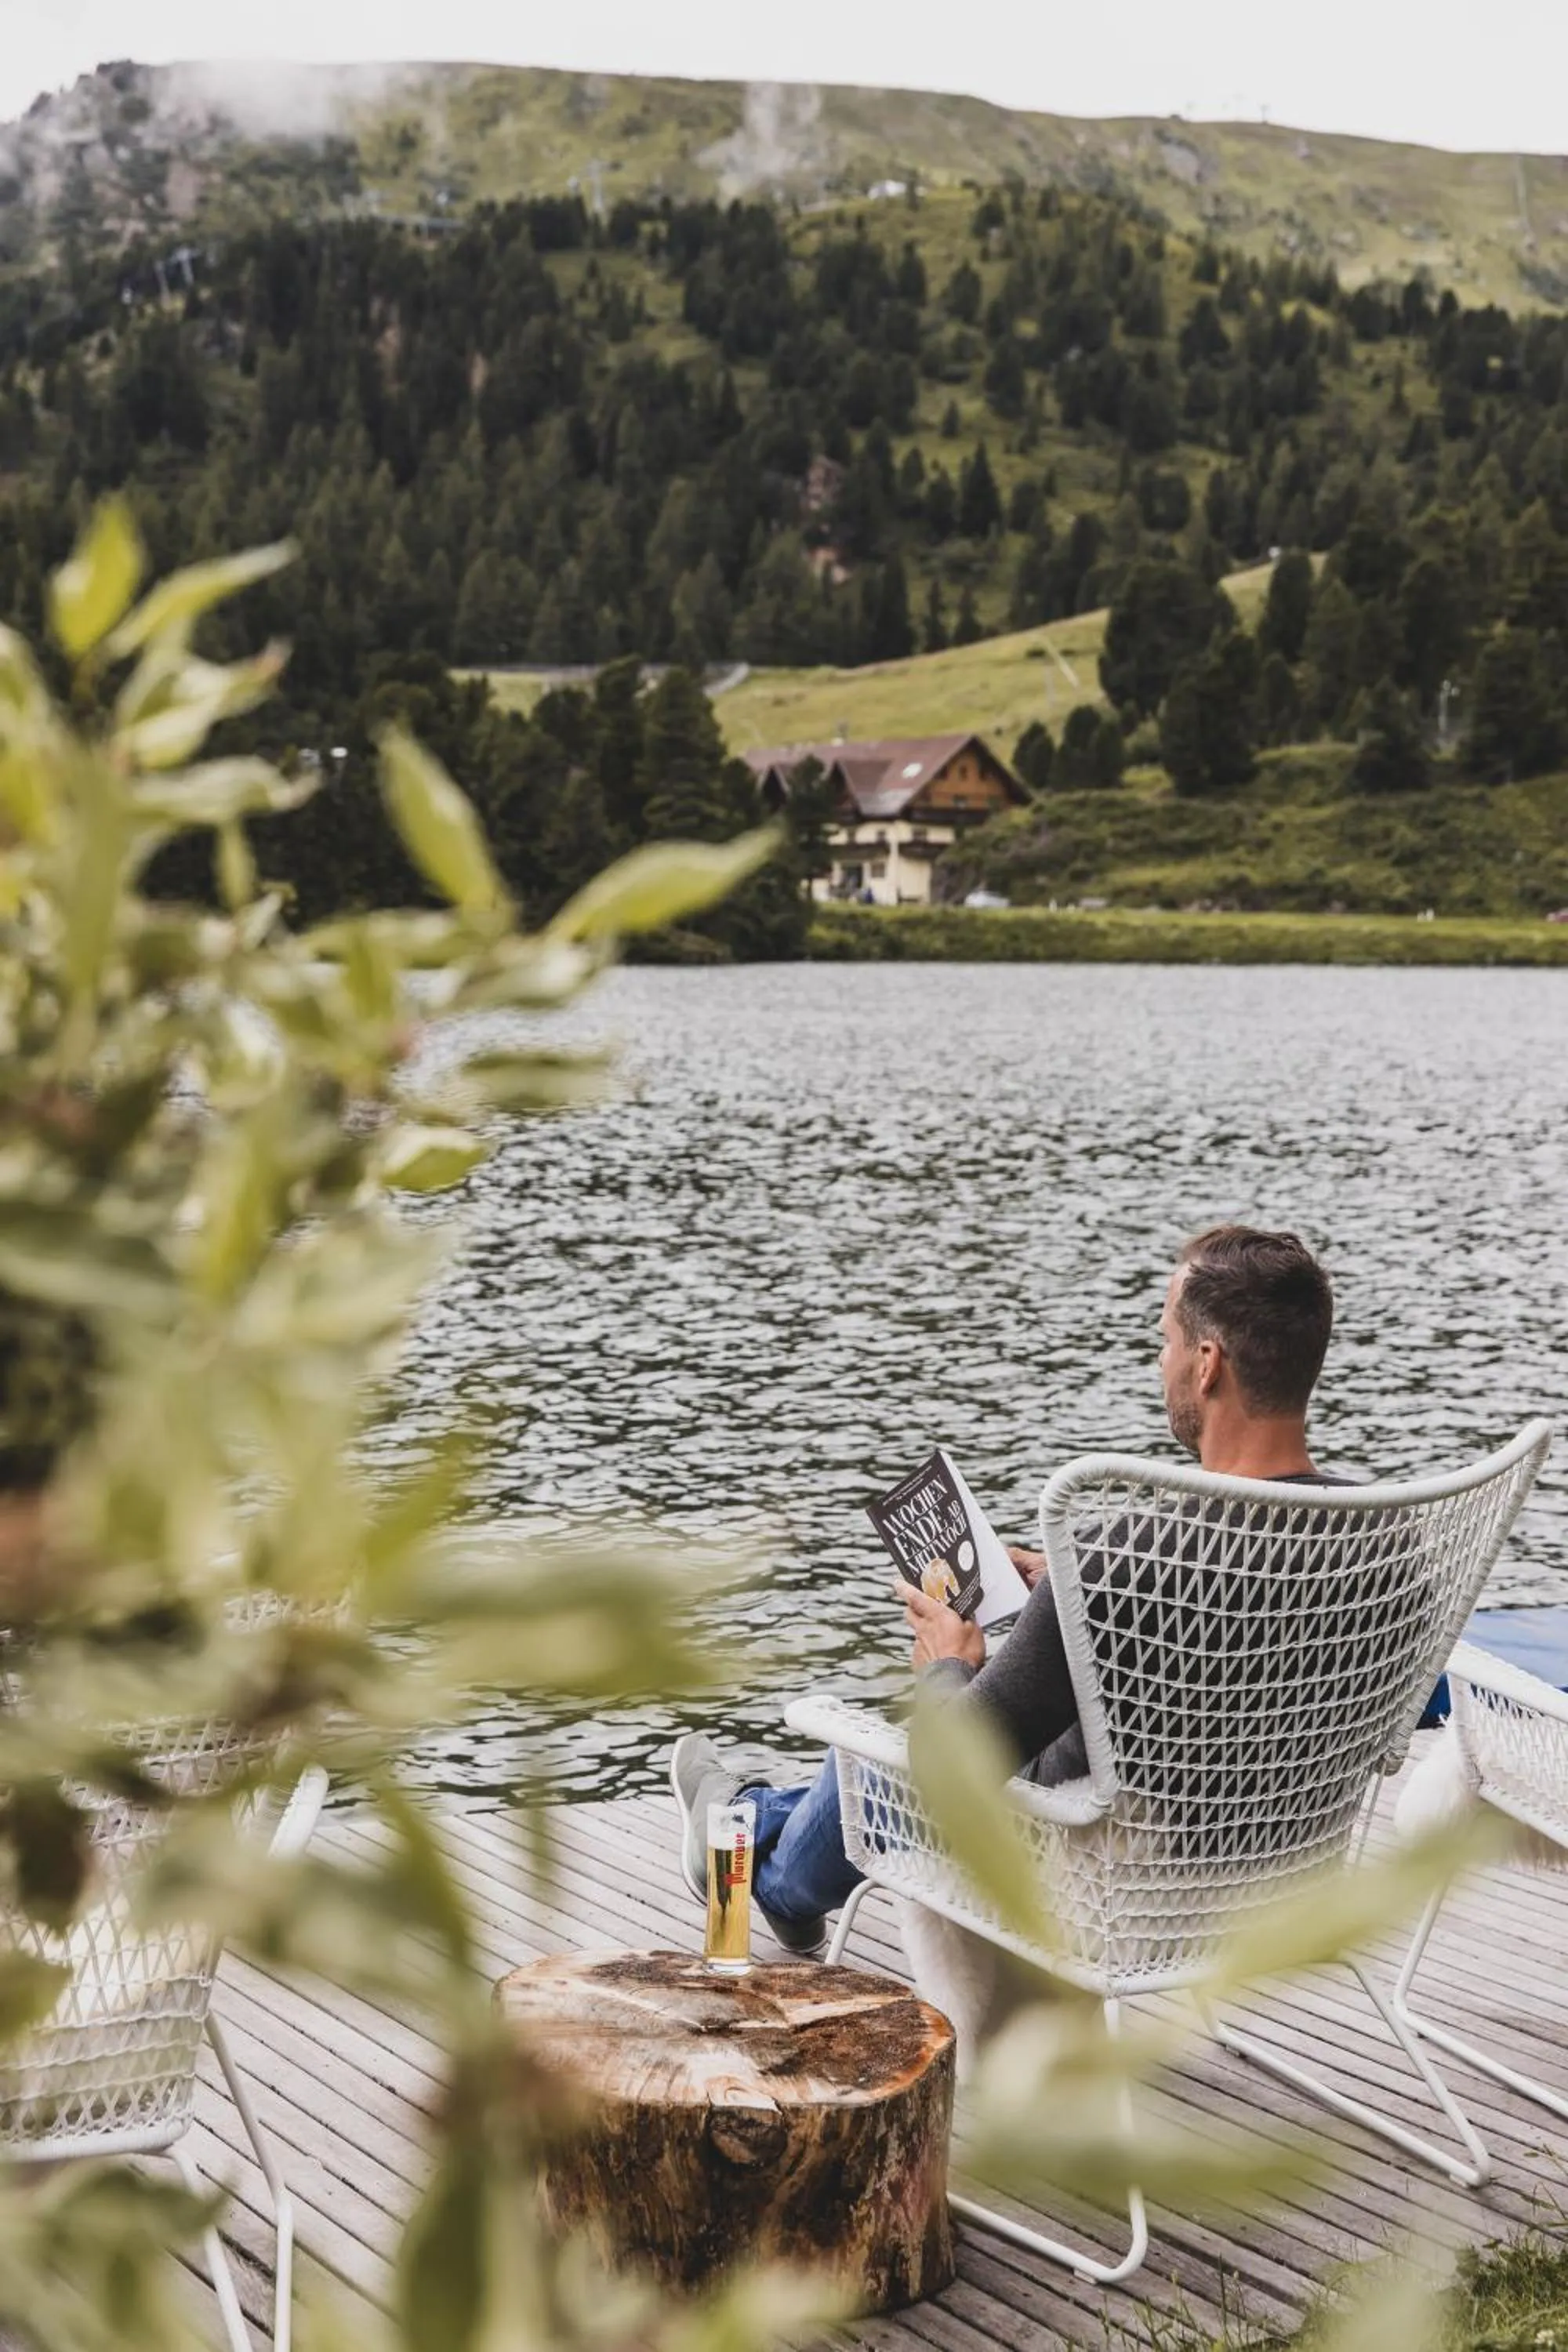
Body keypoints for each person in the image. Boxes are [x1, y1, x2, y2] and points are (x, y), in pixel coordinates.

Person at [670, 1224, 1343, 1957]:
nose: (1162, 1363)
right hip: (1287, 1894)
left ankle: (751, 1852)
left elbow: (949, 1768)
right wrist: (1065, 1601)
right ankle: (762, 1836)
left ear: (1208, 1364)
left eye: (1167, 1342)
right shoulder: (1390, 1539)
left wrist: (948, 1659)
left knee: (884, 1747)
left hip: (1097, 1889)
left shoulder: (1117, 1559)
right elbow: (1239, 1628)